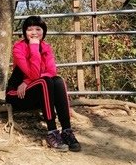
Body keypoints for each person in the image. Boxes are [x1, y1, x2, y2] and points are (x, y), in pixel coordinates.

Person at [5, 15, 81, 152]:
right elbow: (34, 74)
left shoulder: (46, 47)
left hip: (35, 92)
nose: (34, 33)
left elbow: (52, 71)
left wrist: (27, 82)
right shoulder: (18, 48)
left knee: (58, 81)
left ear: (43, 31)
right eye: (30, 29)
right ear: (24, 32)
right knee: (44, 81)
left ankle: (67, 130)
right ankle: (52, 131)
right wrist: (34, 47)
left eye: (38, 29)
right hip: (17, 95)